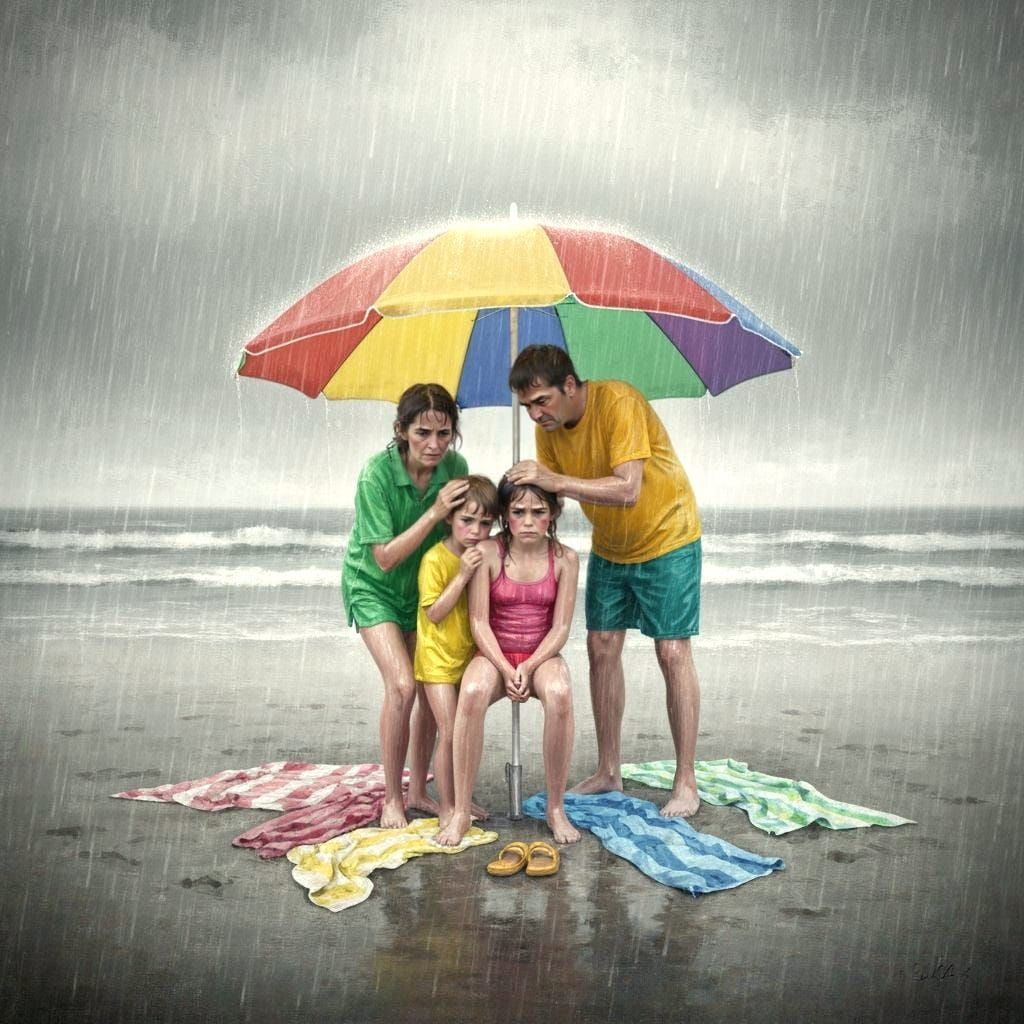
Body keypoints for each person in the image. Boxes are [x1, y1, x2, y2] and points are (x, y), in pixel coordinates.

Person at [505, 345, 703, 817]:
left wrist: (555, 480)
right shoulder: (547, 433)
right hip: (612, 546)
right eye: (528, 406)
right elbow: (550, 496)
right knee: (601, 646)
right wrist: (510, 527)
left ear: (570, 386)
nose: (536, 415)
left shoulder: (618, 402)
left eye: (543, 401)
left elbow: (628, 488)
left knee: (672, 652)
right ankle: (609, 769)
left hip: (668, 535)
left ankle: (686, 780)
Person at [342, 383, 470, 829]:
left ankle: (419, 790)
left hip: (422, 589)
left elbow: (463, 532)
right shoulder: (374, 475)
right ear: (400, 430)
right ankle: (392, 798)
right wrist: (434, 512)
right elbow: (384, 556)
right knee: (401, 686)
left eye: (443, 433)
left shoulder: (456, 467)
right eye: (422, 433)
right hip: (372, 586)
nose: (434, 445)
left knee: (431, 680)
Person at [436, 476, 581, 847]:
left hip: (541, 654)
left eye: (539, 512)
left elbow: (561, 627)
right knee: (470, 692)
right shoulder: (488, 553)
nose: (528, 521)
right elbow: (479, 622)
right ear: (505, 516)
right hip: (495, 653)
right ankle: (461, 809)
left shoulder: (565, 559)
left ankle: (555, 807)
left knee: (561, 694)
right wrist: (504, 667)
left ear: (554, 514)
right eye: (518, 512)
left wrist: (530, 666)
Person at [413, 474, 500, 828]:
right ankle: (449, 806)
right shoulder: (435, 559)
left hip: (466, 656)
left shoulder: (486, 555)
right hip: (435, 659)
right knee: (450, 732)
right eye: (466, 520)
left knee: (463, 730)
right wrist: (462, 575)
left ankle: (461, 797)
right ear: (449, 518)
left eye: (485, 522)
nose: (476, 530)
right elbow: (434, 613)